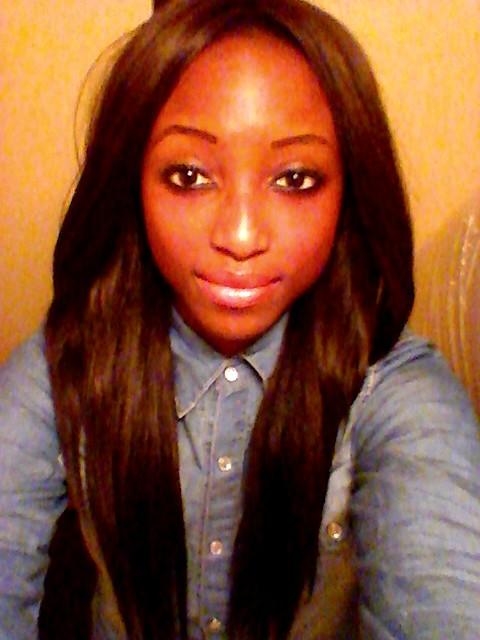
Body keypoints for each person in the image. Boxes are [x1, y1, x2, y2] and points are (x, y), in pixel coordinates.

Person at [1, 0, 479, 638]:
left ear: (349, 191)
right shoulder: (68, 362)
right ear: (132, 182)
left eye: (296, 179)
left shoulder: (391, 387)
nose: (241, 235)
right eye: (189, 175)